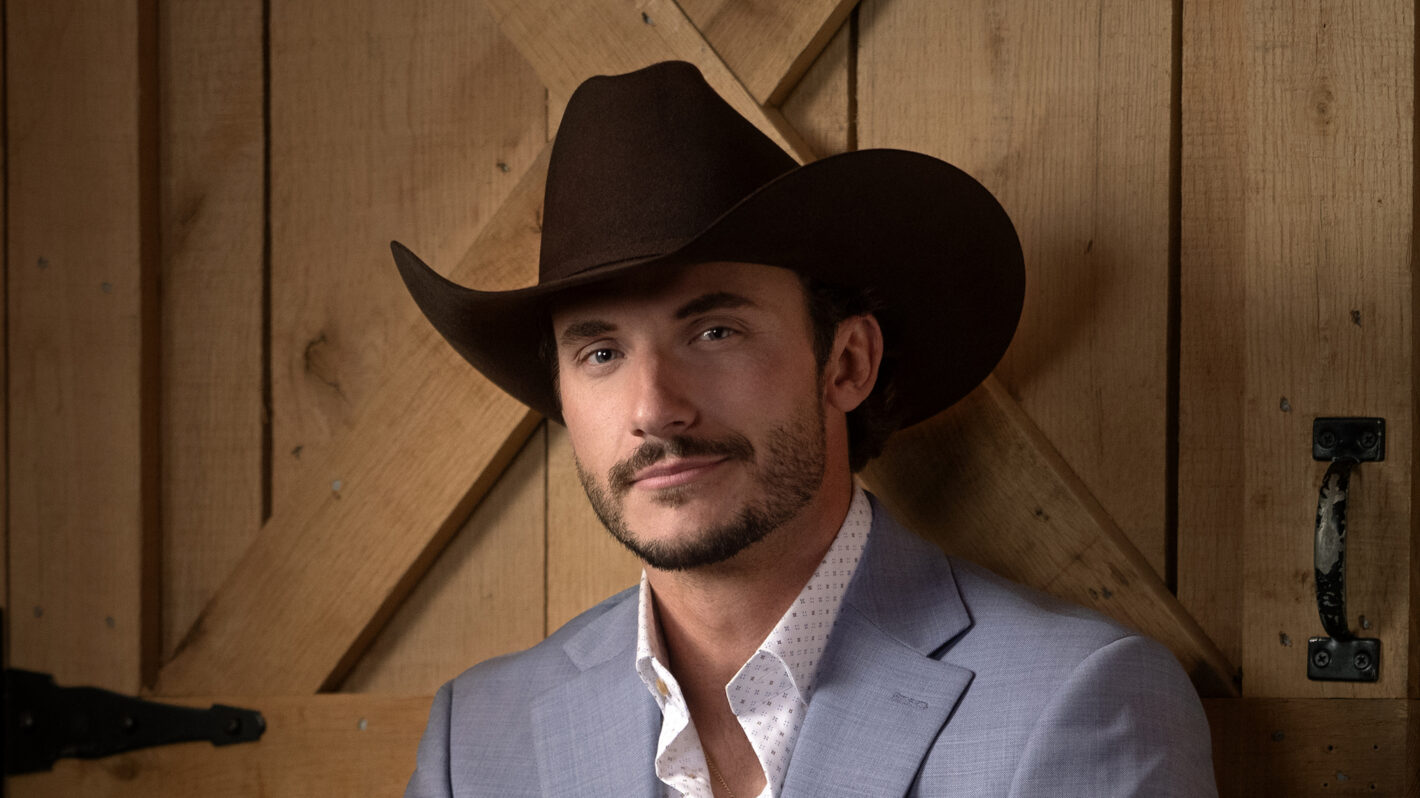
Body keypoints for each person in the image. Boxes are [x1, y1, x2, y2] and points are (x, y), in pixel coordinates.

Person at [392, 60, 1216, 797]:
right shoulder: (478, 741)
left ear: (847, 363)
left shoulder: (1074, 701)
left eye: (714, 332)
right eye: (601, 353)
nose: (653, 408)